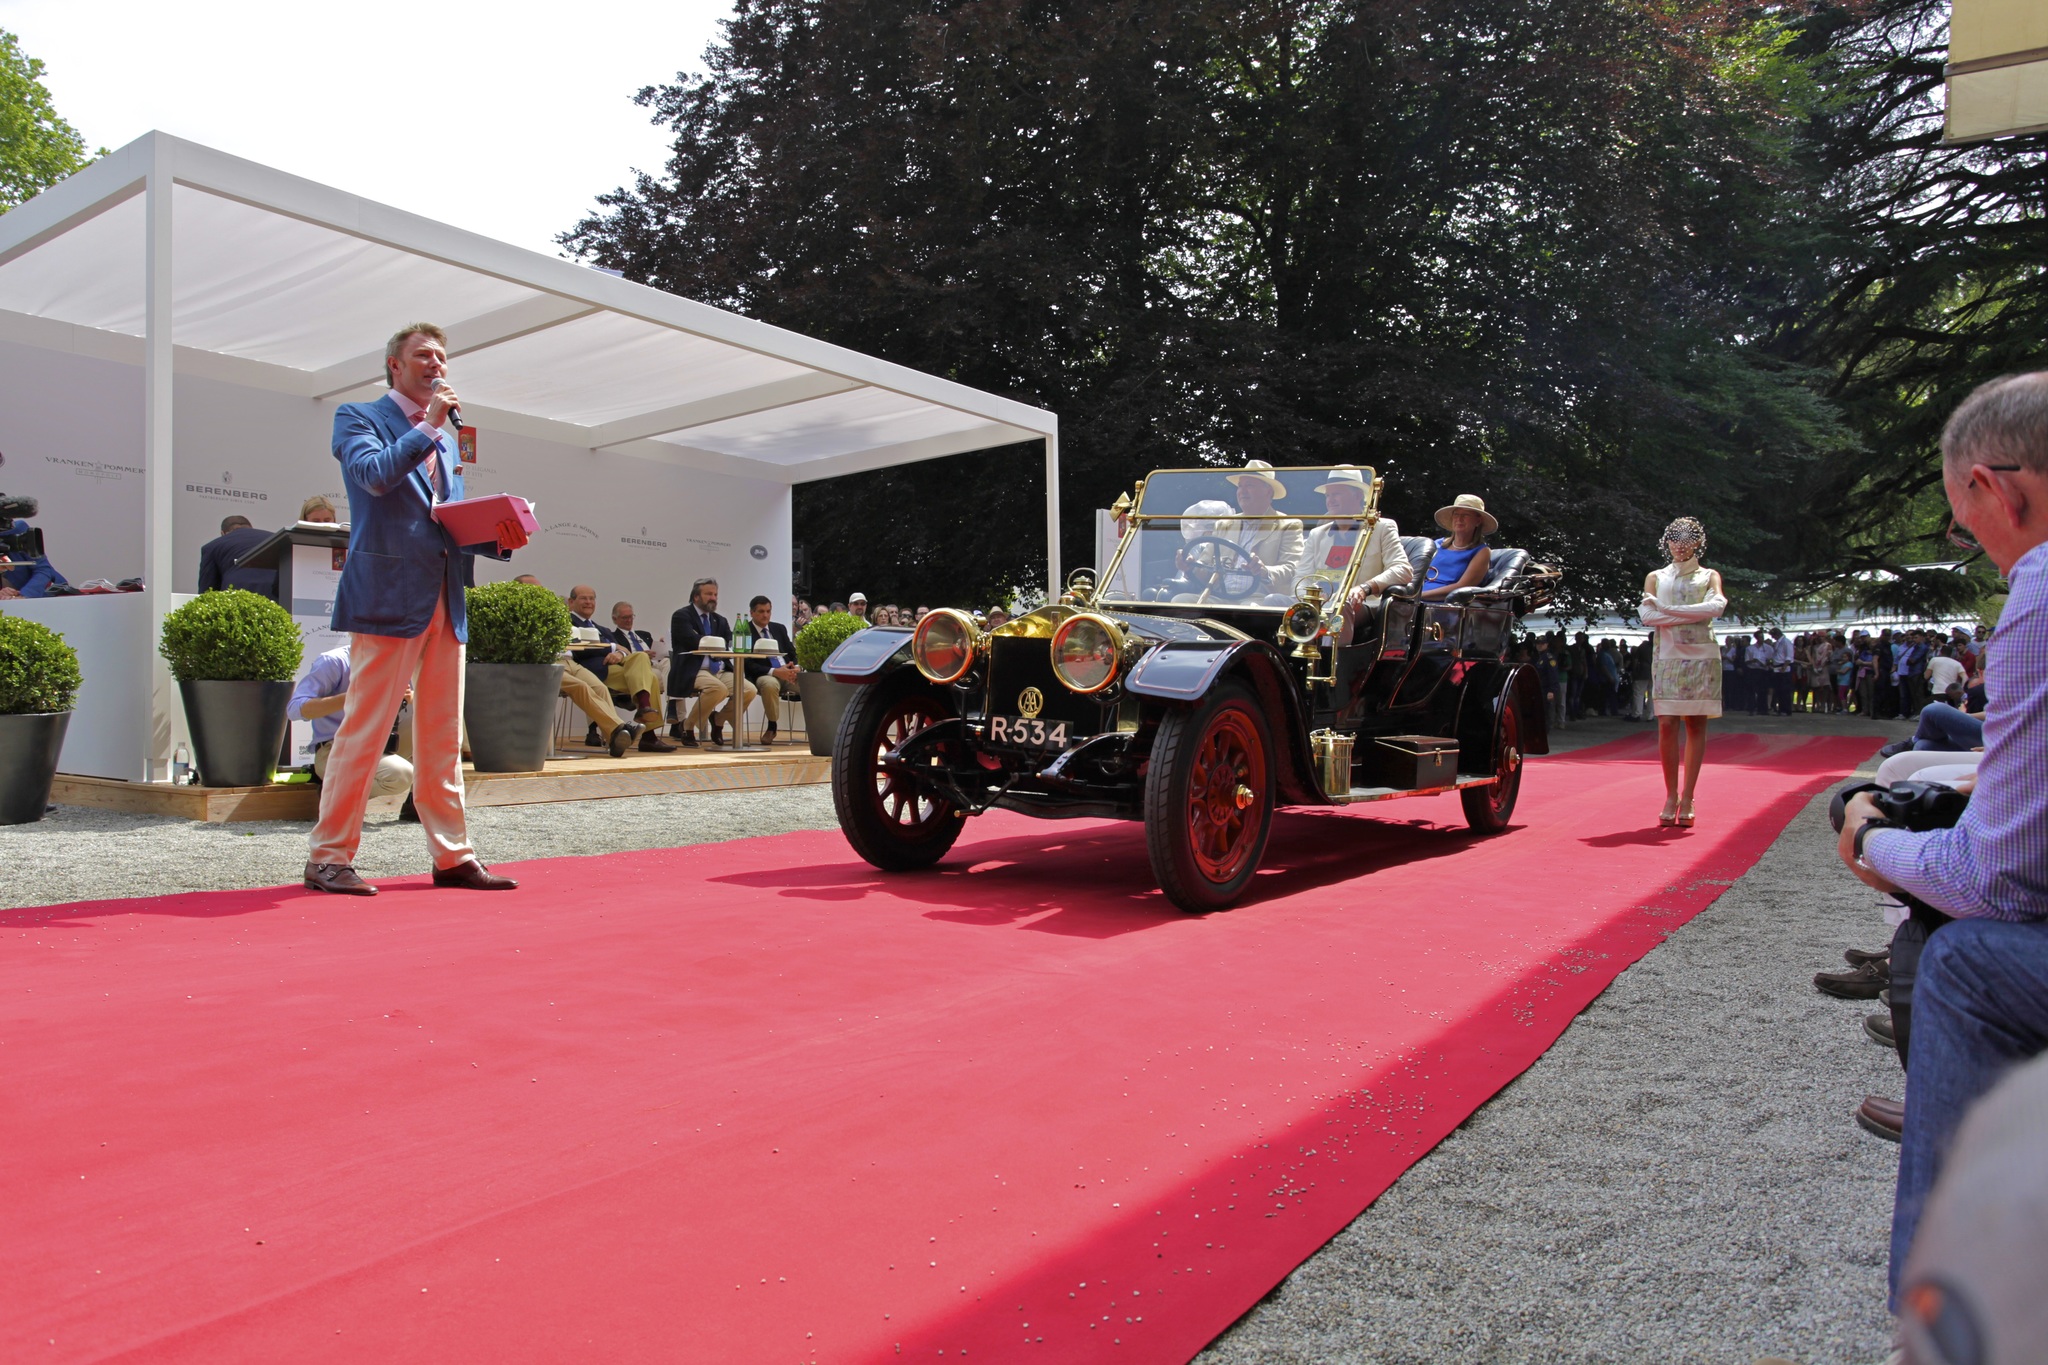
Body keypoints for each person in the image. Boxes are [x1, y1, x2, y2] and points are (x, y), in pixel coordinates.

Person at [1835, 370, 2048, 1313]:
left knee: (1966, 953)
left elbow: (1997, 880)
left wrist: (1869, 839)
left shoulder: (2041, 583)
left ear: (1998, 491)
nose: (1977, 546)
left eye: (1966, 523)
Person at [304, 322, 526, 896]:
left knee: (442, 736)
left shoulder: (447, 440)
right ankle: (328, 857)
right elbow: (375, 479)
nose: (437, 366)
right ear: (393, 365)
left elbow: (442, 518)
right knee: (364, 730)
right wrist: (428, 427)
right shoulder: (359, 418)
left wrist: (497, 535)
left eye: (442, 358)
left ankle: (452, 856)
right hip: (386, 596)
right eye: (424, 355)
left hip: (445, 598)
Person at [1639, 516, 1726, 827]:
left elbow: (1715, 608)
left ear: (1697, 543)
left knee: (1695, 725)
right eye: (1675, 539)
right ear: (1667, 542)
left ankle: (1688, 795)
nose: (1680, 545)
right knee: (1666, 724)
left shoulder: (1709, 576)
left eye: (1687, 540)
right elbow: (1647, 617)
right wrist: (1686, 615)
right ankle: (1670, 793)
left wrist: (1667, 611)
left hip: (1702, 656)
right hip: (1667, 656)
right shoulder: (1656, 577)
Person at [517, 577, 644, 758]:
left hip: (568, 660)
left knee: (599, 688)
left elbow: (572, 642)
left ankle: (614, 740)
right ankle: (619, 729)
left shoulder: (549, 613)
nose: (540, 593)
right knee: (581, 687)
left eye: (541, 589)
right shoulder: (520, 615)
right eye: (534, 590)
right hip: (545, 664)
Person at [289, 642, 416, 821]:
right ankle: (335, 795)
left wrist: (409, 700)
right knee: (400, 775)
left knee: (432, 720)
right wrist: (351, 697)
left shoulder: (401, 660)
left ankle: (418, 802)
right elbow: (294, 709)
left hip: (381, 743)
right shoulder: (334, 661)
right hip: (337, 748)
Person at [1296, 466, 1412, 638]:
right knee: (1273, 601)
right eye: (1328, 495)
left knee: (1340, 606)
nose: (1330, 500)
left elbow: (1403, 569)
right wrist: (1311, 597)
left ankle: (1332, 663)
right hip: (1317, 602)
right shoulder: (1317, 534)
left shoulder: (1381, 528)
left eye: (1337, 494)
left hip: (1357, 604)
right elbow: (1300, 576)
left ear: (1358, 496)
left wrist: (1365, 588)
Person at [566, 585, 671, 752]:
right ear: (571, 602)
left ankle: (645, 710)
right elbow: (581, 650)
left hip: (614, 668)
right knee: (649, 678)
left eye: (592, 598)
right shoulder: (568, 622)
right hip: (593, 670)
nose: (588, 602)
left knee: (642, 658)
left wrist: (620, 654)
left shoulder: (602, 629)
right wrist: (613, 648)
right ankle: (648, 735)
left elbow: (625, 650)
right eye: (583, 598)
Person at [669, 577, 756, 747]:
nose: (713, 598)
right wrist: (716, 643)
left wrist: (725, 646)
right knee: (718, 689)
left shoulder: (720, 620)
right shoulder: (681, 616)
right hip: (694, 669)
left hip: (719, 669)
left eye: (715, 594)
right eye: (709, 594)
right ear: (696, 597)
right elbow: (692, 640)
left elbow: (730, 641)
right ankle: (687, 727)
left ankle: (718, 720)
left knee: (749, 690)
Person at [1210, 459, 1305, 605]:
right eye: (1240, 486)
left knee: (1249, 610)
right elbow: (1203, 564)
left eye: (1249, 485)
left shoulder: (1289, 525)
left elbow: (1292, 568)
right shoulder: (1224, 524)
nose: (1242, 491)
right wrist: (1188, 565)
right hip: (1218, 595)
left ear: (1268, 492)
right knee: (1180, 600)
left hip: (1257, 598)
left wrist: (1264, 571)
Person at [600, 600, 679, 752]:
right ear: (615, 619)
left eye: (631, 617)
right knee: (650, 675)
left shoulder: (644, 635)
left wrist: (663, 645)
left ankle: (672, 704)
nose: (629, 620)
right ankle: (649, 735)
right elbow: (621, 658)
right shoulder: (612, 636)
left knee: (669, 663)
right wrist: (641, 655)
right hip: (634, 667)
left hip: (655, 664)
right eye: (624, 618)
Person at [739, 595, 800, 743]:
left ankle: (817, 728)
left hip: (787, 672)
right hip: (764, 674)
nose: (765, 615)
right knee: (770, 684)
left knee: (811, 683)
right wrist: (775, 671)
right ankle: (772, 726)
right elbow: (748, 664)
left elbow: (792, 653)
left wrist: (795, 667)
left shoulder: (778, 628)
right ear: (752, 613)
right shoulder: (744, 631)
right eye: (761, 611)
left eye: (768, 611)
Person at [1418, 494, 1493, 601]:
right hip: (1414, 600)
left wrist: (1419, 596)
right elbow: (1415, 575)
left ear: (1478, 521)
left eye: (1466, 515)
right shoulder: (1436, 544)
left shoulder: (1482, 552)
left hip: (1445, 607)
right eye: (1456, 514)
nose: (1459, 519)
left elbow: (1462, 589)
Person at [196, 514, 277, 598]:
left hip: (237, 597)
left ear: (223, 533)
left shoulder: (212, 546)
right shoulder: (275, 538)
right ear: (251, 527)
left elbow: (207, 591)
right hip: (278, 594)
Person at [0, 518, 66, 599]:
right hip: (10, 602)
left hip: (49, 595)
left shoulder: (15, 529)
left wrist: (24, 596)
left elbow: (43, 569)